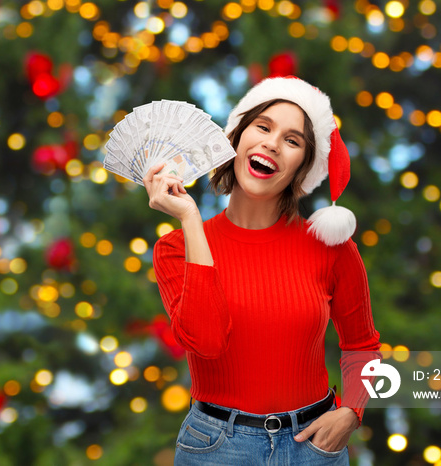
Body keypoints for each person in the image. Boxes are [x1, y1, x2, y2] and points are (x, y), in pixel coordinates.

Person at [143, 76, 381, 465]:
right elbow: (206, 341)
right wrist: (189, 218)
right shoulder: (174, 248)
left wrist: (351, 412)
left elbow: (362, 346)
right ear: (236, 139)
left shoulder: (332, 248)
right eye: (263, 127)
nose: (272, 143)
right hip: (217, 448)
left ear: (302, 167)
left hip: (314, 446)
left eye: (292, 140)